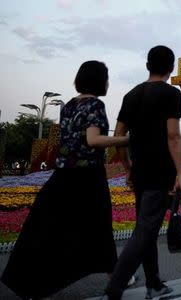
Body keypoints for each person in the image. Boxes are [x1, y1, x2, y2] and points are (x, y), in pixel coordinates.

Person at [1, 61, 129, 299]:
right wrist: (125, 140)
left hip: (61, 175)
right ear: (99, 80)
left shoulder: (69, 105)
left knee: (48, 227)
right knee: (99, 225)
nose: (108, 83)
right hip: (88, 177)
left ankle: (27, 281)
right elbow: (93, 140)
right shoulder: (96, 105)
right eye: (107, 78)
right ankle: (117, 278)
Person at [103, 45, 181, 300]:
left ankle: (154, 283)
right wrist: (180, 173)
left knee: (146, 229)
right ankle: (114, 288)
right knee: (144, 232)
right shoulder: (171, 94)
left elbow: (118, 137)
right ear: (171, 68)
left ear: (147, 65)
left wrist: (129, 168)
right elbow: (173, 135)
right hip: (161, 172)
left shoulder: (131, 95)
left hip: (140, 171)